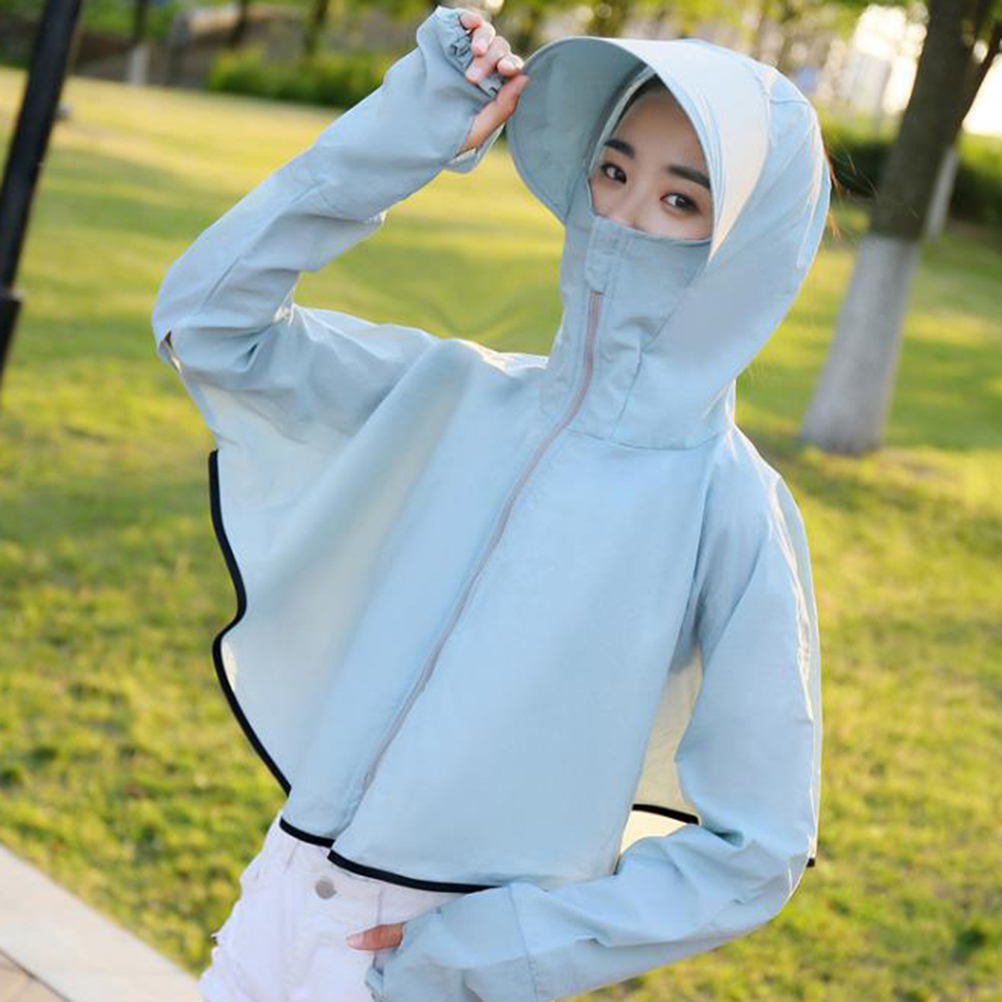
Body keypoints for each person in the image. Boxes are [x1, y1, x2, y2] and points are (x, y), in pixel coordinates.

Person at [151, 4, 828, 1002]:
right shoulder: (456, 392)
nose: (624, 217)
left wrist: (470, 956)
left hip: (434, 963)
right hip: (278, 903)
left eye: (682, 200)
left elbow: (757, 851)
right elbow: (208, 323)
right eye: (613, 172)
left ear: (744, 249)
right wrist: (410, 129)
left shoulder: (730, 507)